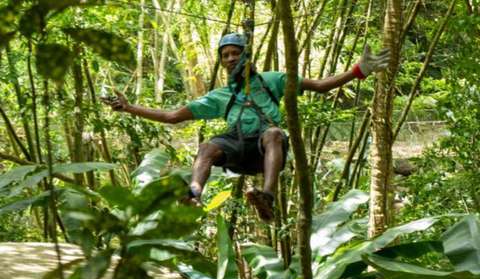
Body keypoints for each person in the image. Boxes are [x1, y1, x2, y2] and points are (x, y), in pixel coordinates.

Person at [101, 33, 390, 222]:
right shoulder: (220, 96)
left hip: (265, 146)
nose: (230, 59)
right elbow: (172, 116)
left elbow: (319, 85)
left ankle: (267, 196)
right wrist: (127, 108)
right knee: (206, 147)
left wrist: (358, 70)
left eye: (235, 53)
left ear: (245, 55)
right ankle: (194, 195)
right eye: (225, 55)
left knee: (275, 132)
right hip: (236, 146)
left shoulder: (272, 80)